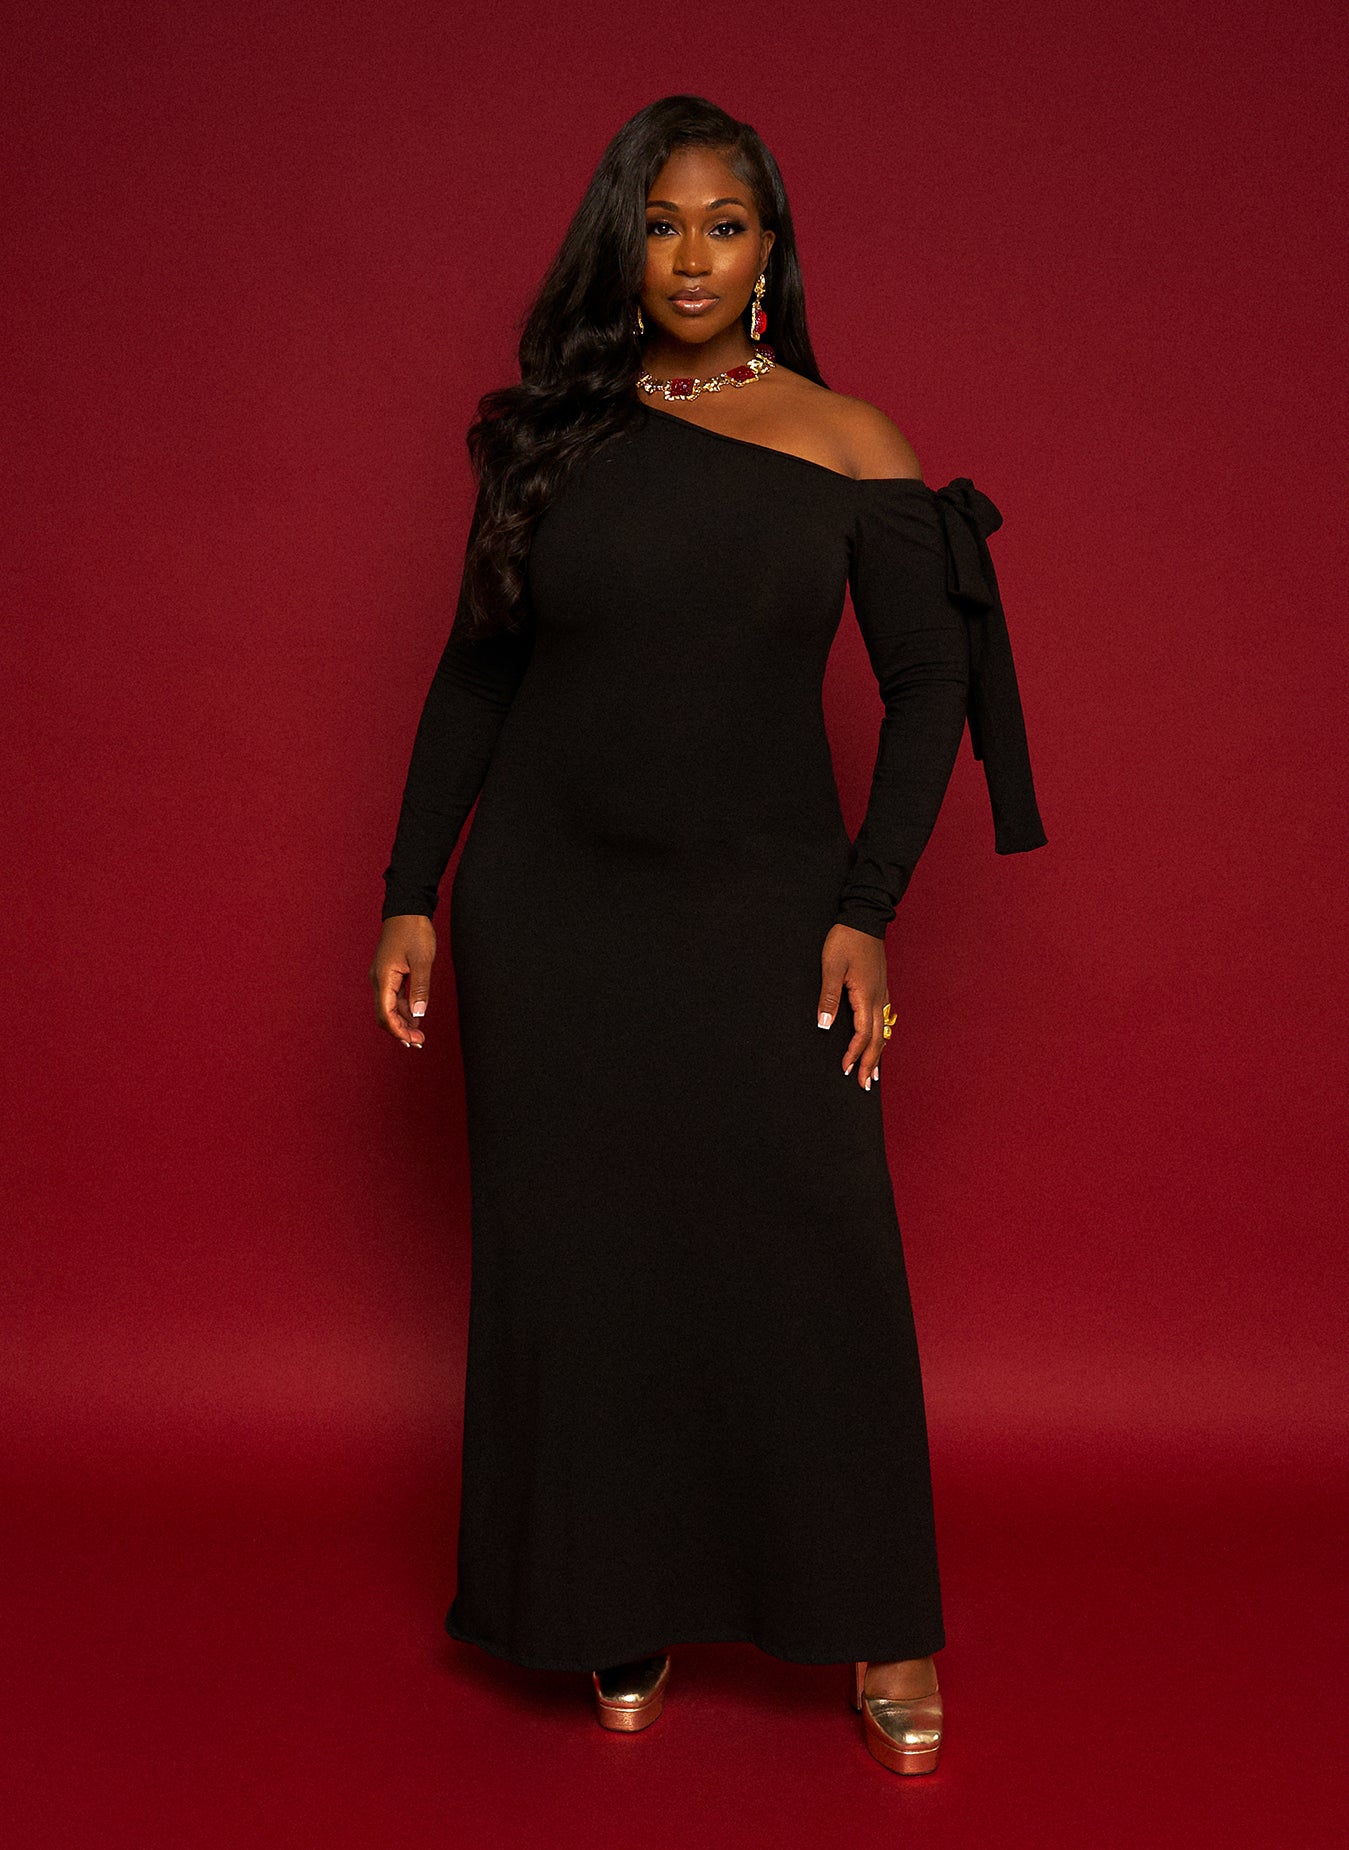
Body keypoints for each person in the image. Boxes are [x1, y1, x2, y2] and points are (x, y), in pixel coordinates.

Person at [370, 94, 1047, 1775]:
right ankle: (617, 1588)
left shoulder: (848, 442)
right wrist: (408, 888)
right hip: (551, 912)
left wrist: (865, 909)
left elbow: (928, 687)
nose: (689, 255)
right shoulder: (554, 438)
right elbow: (475, 673)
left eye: (722, 225)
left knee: (814, 1238)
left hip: (762, 906)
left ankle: (880, 1616)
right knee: (584, 1256)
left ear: (768, 253)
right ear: (621, 245)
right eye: (659, 222)